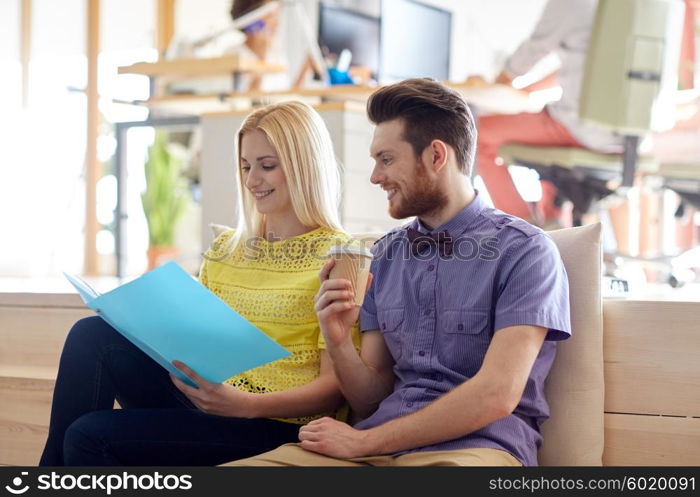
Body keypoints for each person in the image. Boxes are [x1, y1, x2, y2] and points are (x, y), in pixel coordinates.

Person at [228, 78, 572, 467]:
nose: (375, 176)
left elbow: (497, 394)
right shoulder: (386, 255)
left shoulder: (525, 252)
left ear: (436, 156)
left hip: (474, 450)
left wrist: (365, 442)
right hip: (376, 449)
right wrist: (338, 341)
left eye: (386, 159)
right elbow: (370, 399)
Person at [39, 101, 359, 466]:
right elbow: (200, 339)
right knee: (91, 334)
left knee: (89, 434)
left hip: (275, 422)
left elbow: (336, 388)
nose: (252, 180)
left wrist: (245, 405)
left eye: (267, 166)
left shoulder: (341, 256)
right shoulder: (226, 249)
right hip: (207, 399)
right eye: (246, 166)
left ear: (304, 167)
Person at [475, 0, 623, 225]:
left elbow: (534, 50)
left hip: (579, 130)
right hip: (627, 139)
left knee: (474, 133)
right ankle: (555, 224)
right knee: (548, 136)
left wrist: (501, 81)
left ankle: (520, 227)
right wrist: (526, 89)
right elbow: (587, 65)